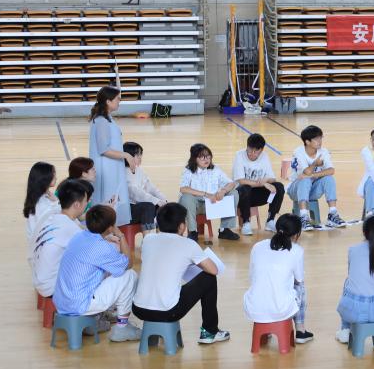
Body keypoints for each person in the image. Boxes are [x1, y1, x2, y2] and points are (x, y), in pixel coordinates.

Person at [132, 203, 230, 344]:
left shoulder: (148, 240)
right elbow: (214, 270)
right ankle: (210, 331)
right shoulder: (188, 244)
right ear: (182, 226)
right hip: (168, 311)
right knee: (208, 278)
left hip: (139, 309)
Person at [53, 204, 140, 342]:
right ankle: (122, 328)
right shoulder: (102, 247)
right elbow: (128, 264)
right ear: (110, 227)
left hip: (62, 302)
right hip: (80, 305)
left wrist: (107, 238)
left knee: (107, 270)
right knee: (129, 275)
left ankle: (96, 318)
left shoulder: (78, 236)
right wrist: (121, 235)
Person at [244, 213, 311, 344]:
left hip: (254, 307)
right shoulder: (296, 250)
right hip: (281, 309)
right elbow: (299, 279)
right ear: (297, 234)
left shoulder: (258, 246)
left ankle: (265, 330)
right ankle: (300, 330)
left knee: (265, 282)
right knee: (300, 286)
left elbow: (252, 276)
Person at [336, 215, 374, 344]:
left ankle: (345, 330)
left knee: (349, 281)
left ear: (364, 232)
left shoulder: (353, 250)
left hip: (353, 311)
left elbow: (351, 272)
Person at [31, 179, 91, 300]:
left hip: (39, 279)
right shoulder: (71, 228)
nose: (88, 203)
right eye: (86, 201)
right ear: (77, 205)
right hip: (52, 287)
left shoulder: (51, 215)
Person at [287, 124, 346, 230]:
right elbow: (307, 171)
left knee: (329, 178)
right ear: (307, 142)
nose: (320, 141)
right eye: (316, 139)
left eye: (320, 138)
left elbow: (331, 170)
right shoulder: (298, 152)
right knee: (305, 180)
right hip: (295, 190)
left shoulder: (323, 151)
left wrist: (314, 175)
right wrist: (315, 164)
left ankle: (332, 214)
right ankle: (304, 217)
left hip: (312, 189)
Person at [88, 86, 132, 225]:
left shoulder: (107, 119)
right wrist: (126, 155)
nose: (119, 101)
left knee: (112, 200)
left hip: (111, 167)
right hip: (106, 168)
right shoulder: (101, 121)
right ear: (108, 101)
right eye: (117, 99)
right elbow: (104, 149)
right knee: (107, 201)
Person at [179, 143, 240, 242]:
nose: (206, 159)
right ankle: (193, 231)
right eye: (202, 157)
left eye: (208, 156)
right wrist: (206, 194)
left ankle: (224, 230)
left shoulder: (215, 169)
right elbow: (183, 189)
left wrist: (223, 191)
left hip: (213, 204)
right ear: (195, 158)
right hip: (196, 205)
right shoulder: (188, 170)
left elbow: (231, 183)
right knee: (186, 197)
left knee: (233, 193)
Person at [233, 133, 285, 235]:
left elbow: (272, 178)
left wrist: (266, 181)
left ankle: (270, 220)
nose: (252, 153)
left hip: (256, 196)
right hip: (242, 196)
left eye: (256, 151)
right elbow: (241, 181)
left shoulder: (264, 156)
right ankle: (246, 223)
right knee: (245, 188)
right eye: (249, 150)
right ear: (247, 146)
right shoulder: (239, 155)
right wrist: (264, 184)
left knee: (279, 187)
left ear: (261, 150)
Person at [123, 142, 166, 232]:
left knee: (161, 207)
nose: (140, 157)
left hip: (139, 206)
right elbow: (135, 193)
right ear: (128, 156)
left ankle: (160, 235)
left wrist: (162, 199)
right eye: (137, 155)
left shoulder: (139, 171)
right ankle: (147, 237)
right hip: (127, 211)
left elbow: (151, 187)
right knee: (148, 206)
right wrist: (156, 201)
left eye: (140, 155)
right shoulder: (123, 172)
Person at [24, 161, 59, 243]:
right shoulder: (43, 204)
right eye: (53, 174)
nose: (56, 177)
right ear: (44, 178)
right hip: (45, 245)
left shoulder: (37, 198)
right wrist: (57, 203)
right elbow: (58, 223)